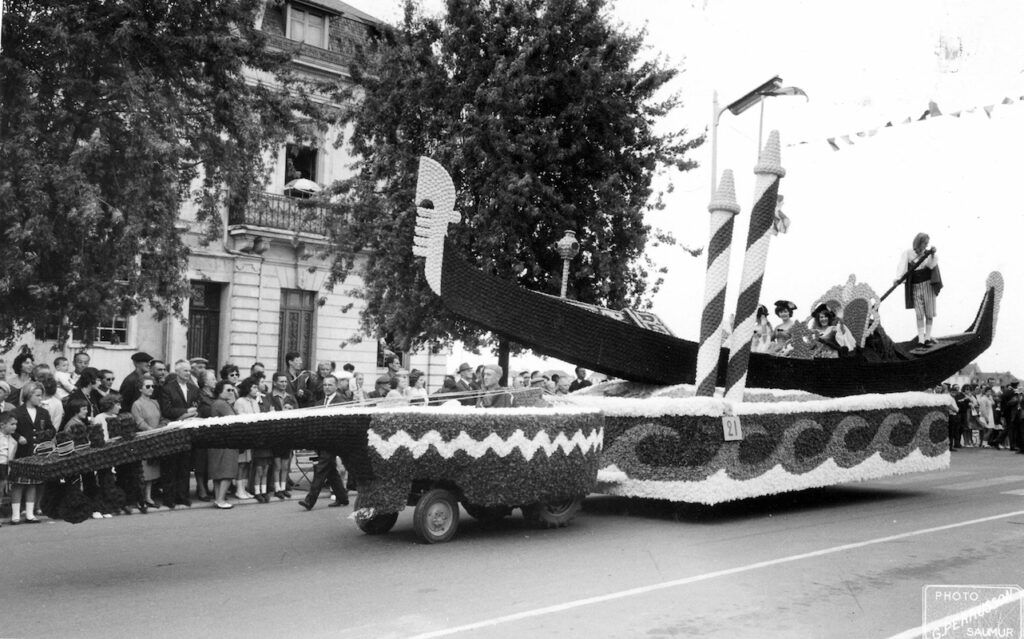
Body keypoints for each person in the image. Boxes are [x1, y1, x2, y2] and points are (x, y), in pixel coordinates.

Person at [299, 375, 348, 511]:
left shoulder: (341, 401)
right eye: (325, 385)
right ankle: (342, 497)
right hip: (321, 441)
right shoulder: (319, 403)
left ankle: (310, 500)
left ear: (336, 386)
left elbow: (342, 423)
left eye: (330, 385)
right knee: (330, 470)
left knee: (320, 469)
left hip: (333, 441)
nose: (327, 387)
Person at [159, 359, 201, 508]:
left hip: (188, 429)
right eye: (185, 371)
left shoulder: (194, 389)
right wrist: (185, 412)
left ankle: (183, 496)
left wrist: (189, 414)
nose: (188, 373)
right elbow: (167, 410)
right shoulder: (168, 389)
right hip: (173, 429)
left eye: (189, 371)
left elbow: (197, 407)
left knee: (185, 464)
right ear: (177, 372)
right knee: (171, 465)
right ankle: (169, 498)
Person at [9, 382, 53, 524]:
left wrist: (46, 435)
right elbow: (9, 429)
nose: (41, 398)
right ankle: (15, 515)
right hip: (21, 453)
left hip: (36, 454)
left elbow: (51, 429)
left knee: (33, 483)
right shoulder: (16, 412)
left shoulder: (43, 413)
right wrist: (17, 437)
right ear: (28, 395)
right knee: (18, 484)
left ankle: (30, 513)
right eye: (38, 395)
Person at [895, 232, 940, 345]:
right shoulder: (908, 253)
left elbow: (930, 265)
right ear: (919, 242)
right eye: (924, 243)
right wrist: (898, 279)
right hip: (915, 286)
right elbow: (902, 267)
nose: (926, 245)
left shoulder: (927, 254)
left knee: (929, 313)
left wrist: (933, 254)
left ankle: (927, 338)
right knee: (919, 313)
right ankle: (921, 339)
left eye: (927, 243)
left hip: (927, 285)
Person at [131, 374, 164, 510]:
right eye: (148, 386)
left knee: (152, 470)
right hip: (144, 439)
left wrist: (161, 428)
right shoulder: (137, 404)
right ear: (140, 389)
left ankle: (148, 497)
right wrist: (152, 431)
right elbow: (139, 422)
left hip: (155, 437)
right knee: (144, 470)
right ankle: (140, 498)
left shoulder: (155, 402)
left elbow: (160, 418)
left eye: (152, 386)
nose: (151, 389)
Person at [207, 380, 239, 510]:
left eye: (232, 390)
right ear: (220, 391)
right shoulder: (222, 404)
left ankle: (218, 498)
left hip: (218, 441)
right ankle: (220, 499)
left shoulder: (218, 403)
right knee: (227, 471)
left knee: (218, 472)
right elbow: (234, 419)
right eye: (228, 390)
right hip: (226, 441)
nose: (231, 392)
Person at [268, 373, 297, 500]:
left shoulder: (290, 397)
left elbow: (296, 411)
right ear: (274, 383)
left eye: (286, 382)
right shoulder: (270, 397)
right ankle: (276, 488)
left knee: (286, 464)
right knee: (277, 464)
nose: (284, 384)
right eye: (281, 381)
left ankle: (283, 487)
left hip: (288, 434)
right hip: (276, 434)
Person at [233, 377, 262, 501]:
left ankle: (243, 488)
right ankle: (239, 489)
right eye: (254, 387)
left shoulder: (255, 401)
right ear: (247, 388)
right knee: (241, 464)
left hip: (252, 436)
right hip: (243, 436)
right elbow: (240, 418)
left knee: (247, 463)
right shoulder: (240, 401)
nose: (256, 389)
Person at [0, 411, 24, 528]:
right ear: (2, 425)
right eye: (12, 424)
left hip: (4, 467)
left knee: (1, 492)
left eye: (16, 424)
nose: (15, 426)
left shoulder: (13, 440)